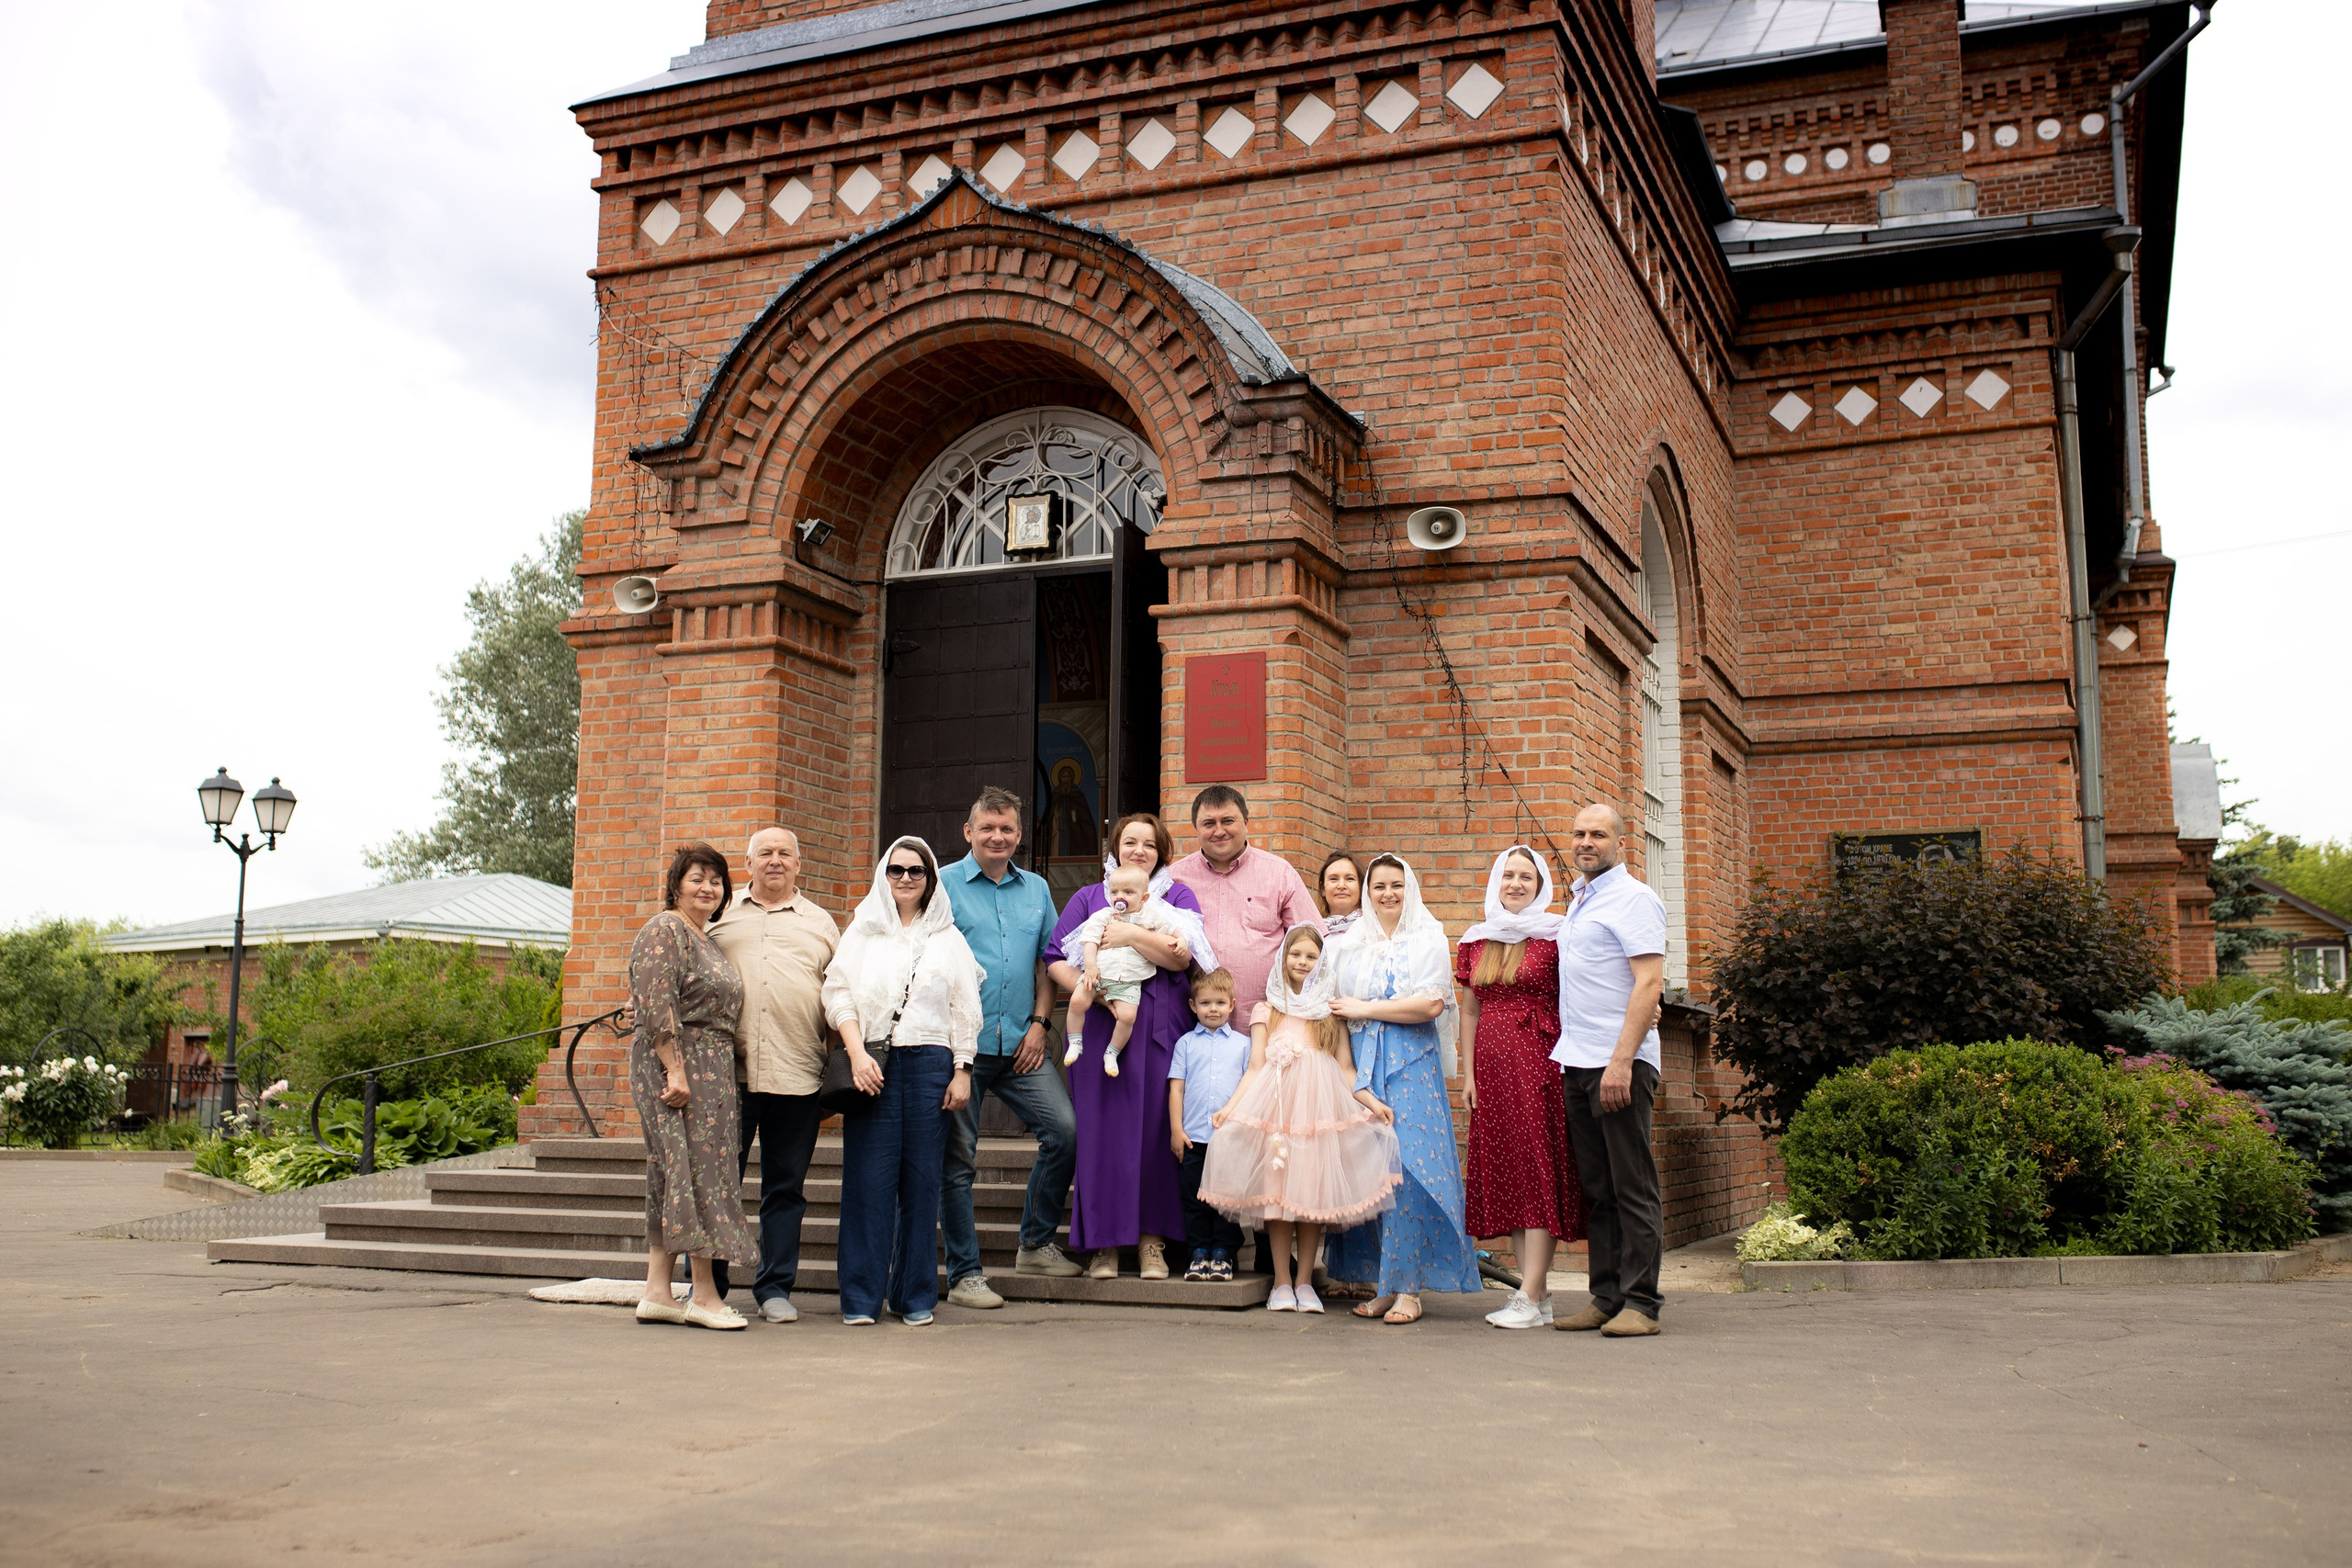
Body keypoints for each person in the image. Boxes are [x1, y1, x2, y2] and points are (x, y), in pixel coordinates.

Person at [820, 837, 980, 1326]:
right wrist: (855, 1054)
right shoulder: (863, 933)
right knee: (868, 1182)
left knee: (921, 1182)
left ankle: (914, 1296)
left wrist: (962, 1070)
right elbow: (838, 993)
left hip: (932, 1064)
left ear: (931, 879)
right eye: (896, 870)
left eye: (917, 871)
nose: (906, 878)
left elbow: (964, 1007)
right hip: (874, 1065)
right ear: (882, 875)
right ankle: (861, 1299)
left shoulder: (948, 938)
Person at [1200, 926, 1401, 1313]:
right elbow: (1256, 1067)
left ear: (1320, 962)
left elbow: (1345, 1068)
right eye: (1296, 955)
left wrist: (1372, 1104)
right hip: (1277, 1110)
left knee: (1310, 1197)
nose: (1302, 963)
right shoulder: (1267, 1009)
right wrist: (1231, 1107)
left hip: (1318, 1111)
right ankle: (1281, 1282)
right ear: (1283, 958)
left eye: (1311, 957)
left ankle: (1306, 1282)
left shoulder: (1330, 1011)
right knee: (1278, 1199)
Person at [1167, 785, 1322, 1279]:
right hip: (1196, 1033)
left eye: (1228, 821)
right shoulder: (1175, 878)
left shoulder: (1278, 873)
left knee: (1271, 1140)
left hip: (1268, 1037)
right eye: (1209, 823)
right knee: (1206, 1136)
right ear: (1196, 829)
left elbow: (1312, 943)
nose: (1219, 831)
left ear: (1246, 821)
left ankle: (1272, 1245)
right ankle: (1203, 1242)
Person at [1324, 854, 1484, 1323]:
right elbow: (1336, 1010)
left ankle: (1410, 1287)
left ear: (1408, 889)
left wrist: (1367, 1007)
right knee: (1372, 1172)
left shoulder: (1427, 939)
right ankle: (1383, 1282)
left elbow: (1431, 1005)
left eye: (1396, 885)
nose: (1388, 894)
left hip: (1412, 1065)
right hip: (1365, 1068)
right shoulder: (1349, 944)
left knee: (1411, 1170)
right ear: (1367, 893)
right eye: (1379, 887)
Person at [1048, 812, 1208, 1280]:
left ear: (1162, 853)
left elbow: (1182, 958)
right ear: (1114, 848)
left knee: (1158, 1132)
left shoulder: (1176, 897)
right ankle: (1104, 1244)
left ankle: (1152, 1243)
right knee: (1103, 1136)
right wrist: (1097, 993)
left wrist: (1131, 934)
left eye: (1150, 844)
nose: (1139, 850)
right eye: (1130, 842)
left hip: (1160, 1025)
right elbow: (1057, 958)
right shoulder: (1088, 897)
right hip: (1104, 1024)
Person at [939, 787, 1082, 1307]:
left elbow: (1050, 959)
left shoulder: (1037, 888)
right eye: (987, 828)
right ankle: (964, 1275)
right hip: (962, 1050)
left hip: (1023, 1042)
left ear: (1019, 836)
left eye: (1007, 829)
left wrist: (1042, 1023)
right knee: (957, 1162)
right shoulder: (942, 885)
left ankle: (1036, 1243)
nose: (997, 837)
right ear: (968, 832)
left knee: (1065, 1132)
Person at [706, 827, 839, 1323]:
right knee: (720, 1183)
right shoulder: (719, 917)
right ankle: (709, 1288)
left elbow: (838, 998)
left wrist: (832, 1068)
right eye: (766, 853)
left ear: (799, 863)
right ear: (748, 862)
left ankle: (775, 1288)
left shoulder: (822, 924)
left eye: (785, 853)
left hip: (798, 1072)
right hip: (727, 1078)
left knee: (785, 1188)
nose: (775, 861)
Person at [1550, 804, 1669, 1338]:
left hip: (1617, 1062)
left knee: (1632, 1185)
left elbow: (1649, 984)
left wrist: (1622, 1060)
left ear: (1621, 842)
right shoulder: (1578, 901)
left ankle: (1642, 1303)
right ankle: (1606, 1296)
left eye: (1598, 834)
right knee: (1598, 1187)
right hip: (1577, 1059)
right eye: (1578, 834)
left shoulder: (1634, 899)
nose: (1585, 842)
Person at [629, 842, 758, 1331]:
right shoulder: (665, 929)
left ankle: (657, 1292)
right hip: (681, 1066)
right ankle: (703, 1296)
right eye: (696, 879)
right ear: (676, 886)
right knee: (704, 1174)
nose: (707, 888)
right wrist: (676, 1070)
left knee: (673, 1172)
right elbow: (656, 1004)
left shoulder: (704, 938)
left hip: (711, 1066)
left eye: (716, 881)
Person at [1455, 845, 1583, 1330]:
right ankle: (1539, 1294)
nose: (1515, 884)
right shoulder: (1476, 939)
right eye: (1507, 875)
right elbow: (1469, 1010)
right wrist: (1467, 1075)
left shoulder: (1556, 935)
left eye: (1525, 877)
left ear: (1540, 884)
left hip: (1539, 1063)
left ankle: (1528, 1294)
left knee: (1536, 1170)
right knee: (1507, 1171)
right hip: (1490, 1066)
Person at [1062, 863, 1187, 1078]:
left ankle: (1112, 1052)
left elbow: (1172, 929)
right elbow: (1090, 940)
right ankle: (1075, 1041)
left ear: (1144, 898)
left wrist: (1182, 940)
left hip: (1130, 981)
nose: (1119, 897)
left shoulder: (1152, 917)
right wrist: (1090, 967)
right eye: (1115, 892)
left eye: (1128, 892)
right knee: (1077, 1001)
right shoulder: (1104, 916)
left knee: (1128, 1017)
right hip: (1099, 974)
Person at [1166, 968, 1250, 1281]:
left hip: (1229, 1140)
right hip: (1193, 1140)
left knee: (1225, 1199)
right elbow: (1177, 1088)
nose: (1212, 1009)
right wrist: (1177, 1130)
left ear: (1232, 1005)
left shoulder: (1244, 1045)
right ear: (1193, 1006)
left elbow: (1249, 1088)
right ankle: (1198, 1253)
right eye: (1205, 1003)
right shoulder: (1185, 1044)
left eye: (1219, 1002)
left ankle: (1223, 1254)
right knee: (1195, 1199)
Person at [1317, 852, 1365, 939]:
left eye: (1350, 879)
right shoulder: (1312, 934)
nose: (1341, 886)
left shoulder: (1376, 930)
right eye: (1333, 879)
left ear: (1361, 886)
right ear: (1322, 889)